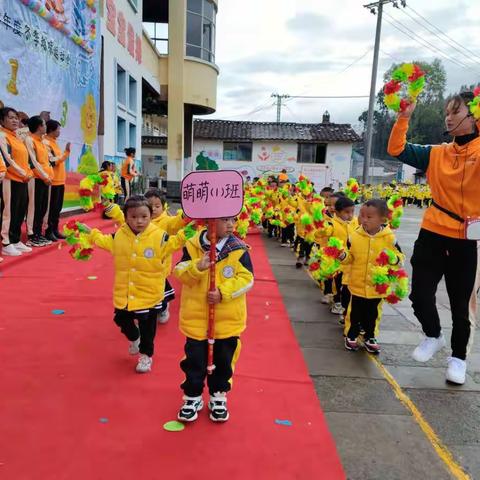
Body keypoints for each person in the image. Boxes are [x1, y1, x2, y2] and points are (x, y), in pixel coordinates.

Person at [387, 92, 480, 385]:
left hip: (467, 239)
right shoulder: (436, 153)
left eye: (456, 111)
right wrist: (404, 116)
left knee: (460, 304)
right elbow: (396, 148)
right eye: (447, 112)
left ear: (474, 114)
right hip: (433, 232)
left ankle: (459, 358)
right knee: (419, 293)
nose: (449, 117)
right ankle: (433, 334)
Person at [88, 195, 189, 373]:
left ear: (151, 216)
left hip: (150, 292)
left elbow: (176, 241)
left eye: (144, 216)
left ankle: (146, 356)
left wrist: (193, 227)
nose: (139, 221)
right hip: (125, 292)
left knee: (147, 327)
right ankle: (135, 339)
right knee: (120, 319)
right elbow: (104, 241)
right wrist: (91, 233)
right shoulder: (120, 235)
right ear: (126, 217)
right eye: (133, 217)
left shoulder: (159, 236)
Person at [174, 217, 254, 422]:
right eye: (224, 220)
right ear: (209, 222)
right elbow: (180, 273)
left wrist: (223, 292)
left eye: (233, 220)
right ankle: (192, 396)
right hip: (196, 319)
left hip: (227, 321)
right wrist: (197, 267)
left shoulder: (238, 248)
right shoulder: (192, 246)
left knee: (224, 361)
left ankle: (218, 395)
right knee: (194, 361)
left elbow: (247, 279)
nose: (231, 224)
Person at [104, 188, 188, 324]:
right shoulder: (137, 220)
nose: (154, 209)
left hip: (159, 268)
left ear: (164, 206)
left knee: (161, 293)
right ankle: (141, 312)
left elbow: (177, 223)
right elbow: (122, 217)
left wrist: (187, 216)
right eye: (151, 206)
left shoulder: (167, 221)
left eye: (157, 206)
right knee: (144, 291)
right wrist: (110, 207)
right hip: (141, 267)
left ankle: (163, 308)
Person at [341, 199, 404, 354]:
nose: (364, 220)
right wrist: (342, 255)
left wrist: (393, 259)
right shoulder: (354, 236)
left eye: (369, 217)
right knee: (354, 313)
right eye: (362, 215)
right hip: (357, 284)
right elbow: (350, 257)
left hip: (377, 287)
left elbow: (400, 258)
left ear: (382, 219)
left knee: (372, 314)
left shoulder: (390, 238)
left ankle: (371, 336)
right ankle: (351, 335)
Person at [316, 196, 358, 319]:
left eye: (352, 212)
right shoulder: (331, 223)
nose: (350, 215)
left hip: (350, 260)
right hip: (336, 261)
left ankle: (345, 306)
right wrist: (322, 229)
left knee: (347, 286)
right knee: (337, 283)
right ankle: (337, 302)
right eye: (346, 212)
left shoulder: (355, 222)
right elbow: (320, 233)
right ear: (337, 212)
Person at [0, 107, 34, 256]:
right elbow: (8, 159)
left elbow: (25, 160)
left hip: (23, 179)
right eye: (11, 117)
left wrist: (27, 173)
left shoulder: (17, 138)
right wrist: (22, 173)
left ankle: (15, 239)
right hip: (10, 179)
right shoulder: (2, 135)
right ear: (2, 120)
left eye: (16, 118)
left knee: (20, 210)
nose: (15, 120)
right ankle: (6, 242)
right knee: (9, 211)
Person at [24, 116, 54, 247]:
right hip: (36, 179)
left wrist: (49, 176)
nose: (46, 127)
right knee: (34, 207)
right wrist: (44, 176)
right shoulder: (29, 140)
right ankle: (31, 236)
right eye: (44, 124)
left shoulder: (41, 142)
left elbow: (46, 162)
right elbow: (33, 162)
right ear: (39, 127)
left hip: (45, 180)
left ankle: (38, 233)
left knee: (42, 208)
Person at [43, 120, 70, 241]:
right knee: (51, 208)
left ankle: (55, 230)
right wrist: (65, 154)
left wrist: (65, 154)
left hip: (60, 181)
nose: (59, 132)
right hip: (52, 181)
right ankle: (48, 231)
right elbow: (52, 161)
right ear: (51, 130)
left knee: (57, 208)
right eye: (58, 129)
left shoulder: (54, 142)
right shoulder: (45, 142)